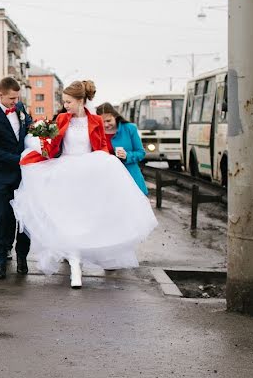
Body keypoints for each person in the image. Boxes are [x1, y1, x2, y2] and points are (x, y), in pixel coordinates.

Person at [11, 80, 157, 288]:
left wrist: (108, 164)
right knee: (68, 218)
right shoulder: (62, 118)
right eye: (64, 102)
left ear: (80, 101)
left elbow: (103, 147)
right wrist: (44, 140)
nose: (66, 105)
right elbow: (53, 147)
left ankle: (84, 259)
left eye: (69, 102)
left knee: (86, 218)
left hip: (89, 172)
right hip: (66, 172)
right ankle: (74, 266)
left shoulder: (96, 120)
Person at [0, 76, 32, 279]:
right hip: (0, 177)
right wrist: (19, 159)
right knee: (1, 218)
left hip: (23, 177)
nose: (15, 101)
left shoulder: (19, 109)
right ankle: (0, 260)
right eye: (11, 98)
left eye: (17, 98)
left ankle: (22, 257)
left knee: (24, 219)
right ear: (0, 95)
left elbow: (28, 129)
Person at [97, 102, 148, 195]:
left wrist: (127, 156)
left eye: (108, 121)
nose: (105, 125)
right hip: (107, 179)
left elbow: (141, 152)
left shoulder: (130, 128)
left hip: (130, 177)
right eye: (102, 122)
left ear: (115, 116)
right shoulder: (96, 132)